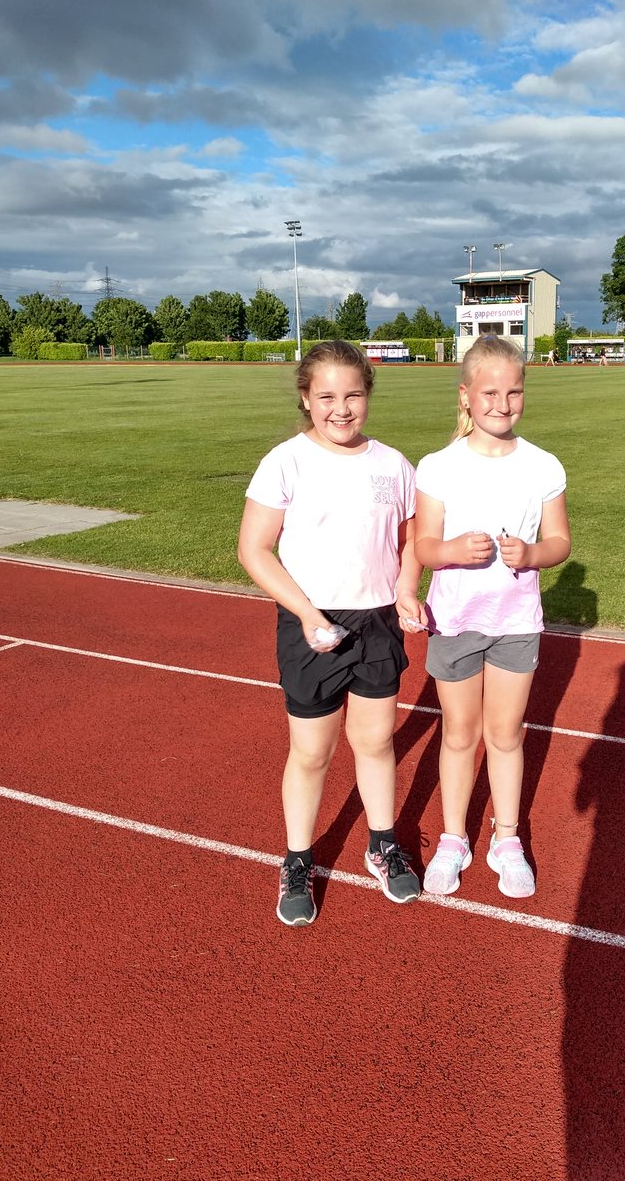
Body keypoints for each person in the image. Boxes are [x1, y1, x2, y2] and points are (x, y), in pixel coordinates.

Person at [238, 340, 426, 927]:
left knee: (374, 743)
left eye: (352, 395)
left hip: (376, 623)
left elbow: (411, 540)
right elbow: (253, 549)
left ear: (368, 394)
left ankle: (382, 842)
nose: (340, 408)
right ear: (306, 398)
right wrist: (306, 613)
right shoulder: (285, 462)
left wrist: (405, 590)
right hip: (311, 623)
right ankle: (297, 859)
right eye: (326, 397)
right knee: (312, 751)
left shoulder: (394, 465)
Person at [414, 335, 571, 899]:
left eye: (514, 392)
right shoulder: (438, 467)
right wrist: (452, 550)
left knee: (505, 735)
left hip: (516, 622)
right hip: (456, 621)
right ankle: (455, 838)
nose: (502, 404)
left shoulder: (543, 465)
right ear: (466, 396)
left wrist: (531, 555)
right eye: (490, 393)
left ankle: (507, 840)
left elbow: (559, 542)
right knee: (459, 734)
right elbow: (424, 546)